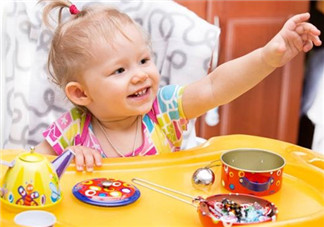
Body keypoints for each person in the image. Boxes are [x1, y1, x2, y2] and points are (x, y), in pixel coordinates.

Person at [35, 0, 321, 172]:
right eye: (120, 70)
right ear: (80, 93)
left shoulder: (163, 111)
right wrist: (64, 162)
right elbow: (27, 170)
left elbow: (214, 86)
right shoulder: (72, 130)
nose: (140, 75)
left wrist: (267, 57)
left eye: (144, 60)